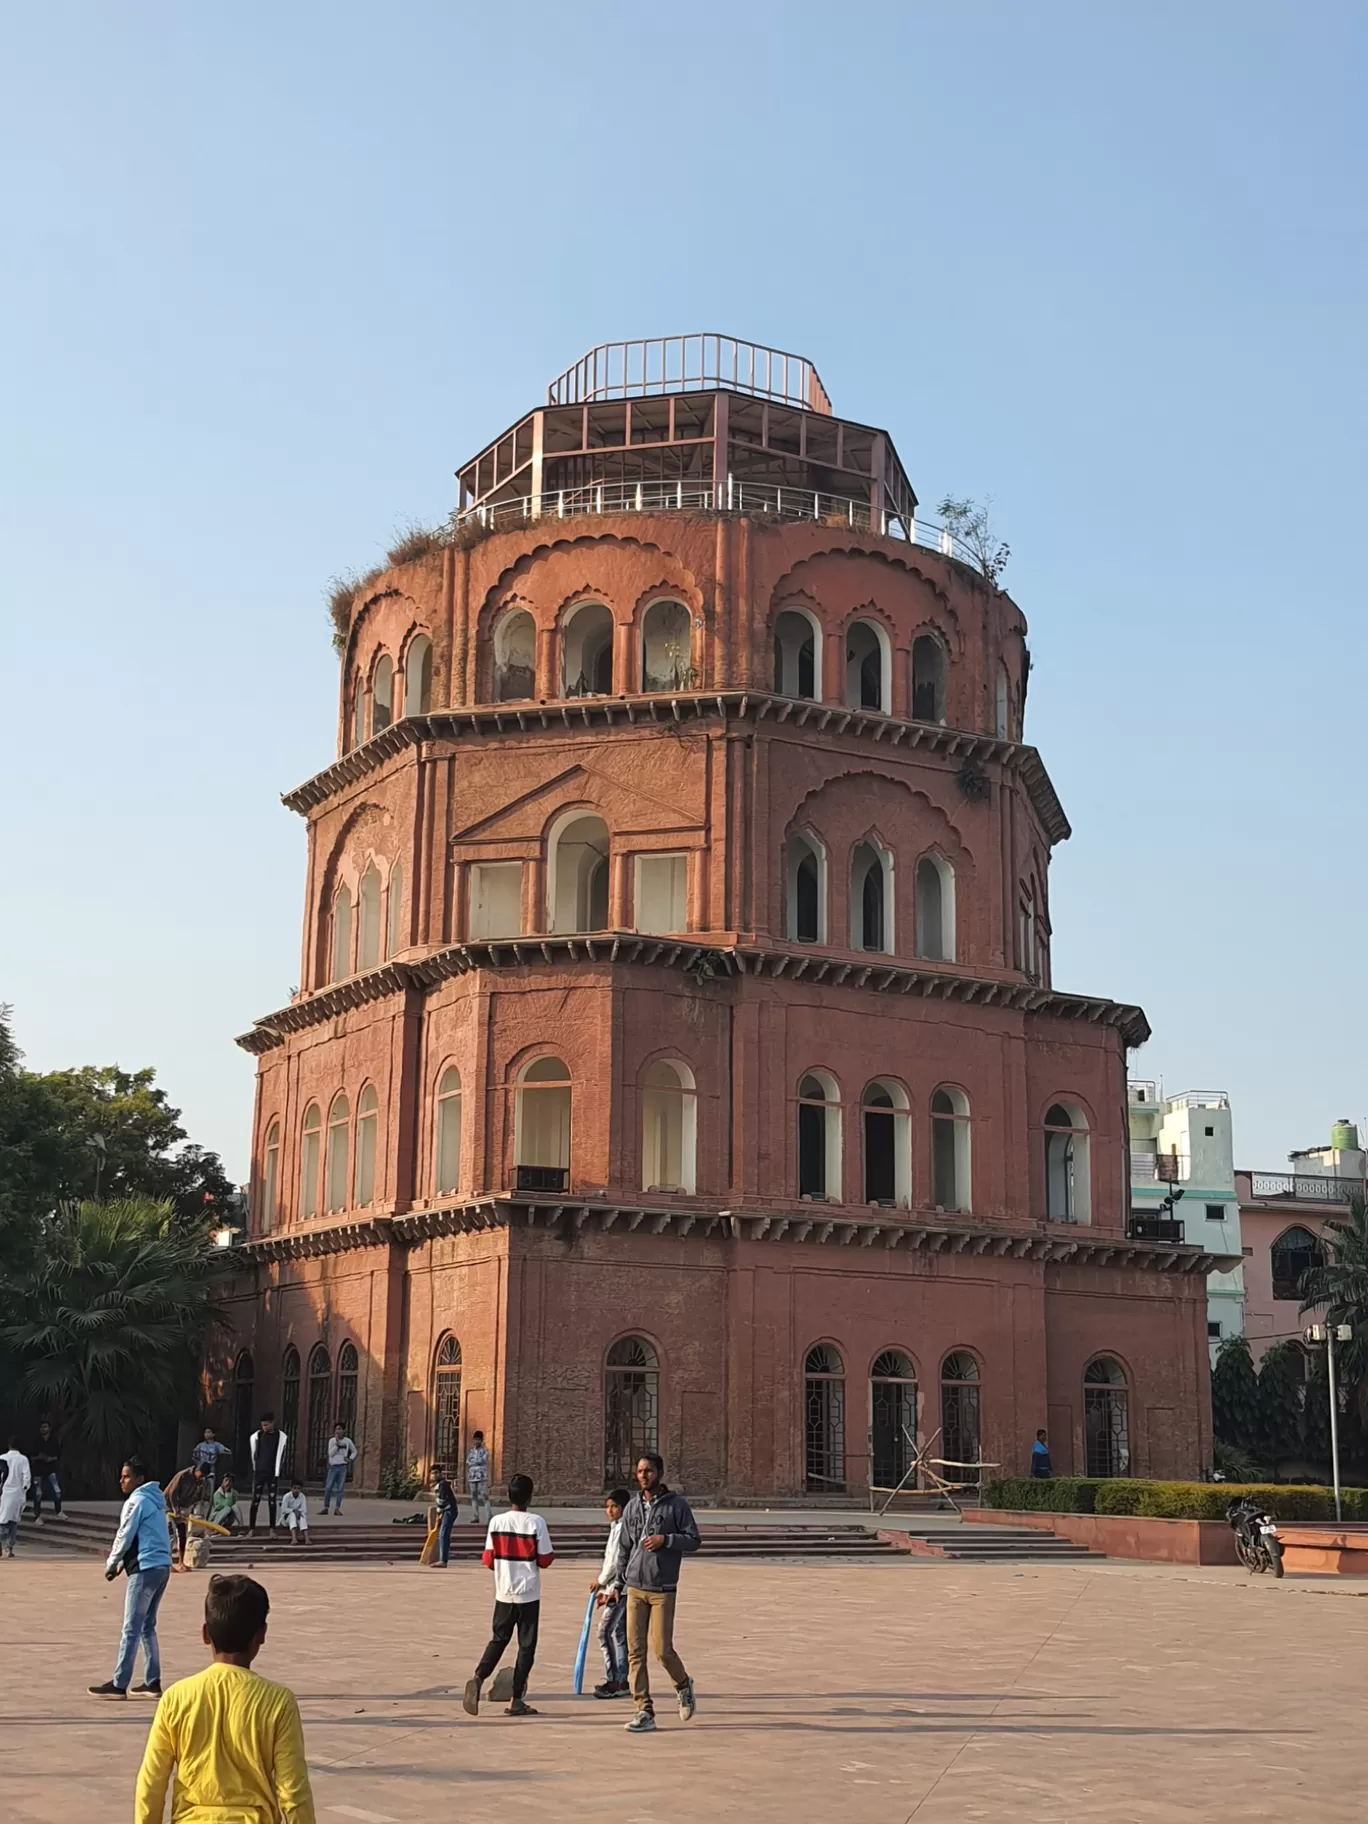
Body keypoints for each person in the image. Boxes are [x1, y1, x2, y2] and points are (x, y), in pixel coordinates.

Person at [134, 1573, 316, 1824]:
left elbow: (151, 1781)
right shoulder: (278, 1702)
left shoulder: (176, 1697)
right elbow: (293, 1789)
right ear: (261, 1635)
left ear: (206, 1634)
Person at [611, 1451, 700, 1734]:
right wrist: (617, 1583)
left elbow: (693, 1539)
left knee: (663, 1650)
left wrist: (667, 1539)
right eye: (639, 1471)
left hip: (662, 1588)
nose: (643, 1475)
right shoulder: (632, 1507)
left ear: (659, 1473)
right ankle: (643, 1709)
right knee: (636, 1652)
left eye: (648, 1471)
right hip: (635, 1587)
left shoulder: (676, 1506)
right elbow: (624, 1546)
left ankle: (683, 1685)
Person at [463, 1473, 553, 1719]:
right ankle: (517, 1698)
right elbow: (545, 1559)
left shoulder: (496, 1522)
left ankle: (479, 1676)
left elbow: (488, 1559)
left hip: (504, 1591)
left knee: (499, 1638)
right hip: (528, 1592)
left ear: (508, 1496)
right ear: (530, 1496)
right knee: (526, 1646)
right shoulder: (536, 1522)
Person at [89, 1456, 174, 1699]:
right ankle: (152, 1681)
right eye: (122, 1476)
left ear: (139, 1479)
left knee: (131, 1627)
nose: (122, 1480)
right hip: (161, 1566)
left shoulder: (136, 1501)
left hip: (145, 1568)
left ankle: (119, 1684)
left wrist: (111, 1563)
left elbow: (125, 1534)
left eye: (127, 1476)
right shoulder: (156, 1502)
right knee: (147, 1626)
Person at [590, 1486, 630, 1698]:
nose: (610, 1510)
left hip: (620, 1589)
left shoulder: (623, 1529)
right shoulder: (616, 1528)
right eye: (608, 1507)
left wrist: (600, 1582)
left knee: (603, 1632)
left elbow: (616, 1562)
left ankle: (614, 1680)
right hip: (615, 1587)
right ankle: (622, 1680)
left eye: (614, 1506)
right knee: (620, 1634)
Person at [248, 1413, 289, 1535]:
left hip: (272, 1473)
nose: (265, 1427)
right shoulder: (257, 1436)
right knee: (255, 1500)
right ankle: (251, 1529)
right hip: (259, 1472)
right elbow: (254, 1454)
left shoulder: (280, 1437)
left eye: (267, 1424)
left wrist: (278, 1470)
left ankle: (272, 1529)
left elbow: (282, 1455)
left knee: (272, 1500)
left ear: (272, 1423)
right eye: (263, 1425)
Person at [165, 1463, 209, 1569]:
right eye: (201, 1475)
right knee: (171, 1536)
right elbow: (172, 1493)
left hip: (183, 1508)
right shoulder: (183, 1475)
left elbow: (196, 1497)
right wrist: (176, 1509)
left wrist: (186, 1510)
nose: (202, 1477)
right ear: (197, 1470)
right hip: (168, 1507)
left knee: (182, 1534)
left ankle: (181, 1562)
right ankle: (167, 1563)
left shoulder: (200, 1482)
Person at [0, 1437, 32, 1557]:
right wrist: (24, 1489)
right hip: (16, 1493)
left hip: (2, 1493)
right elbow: (27, 1478)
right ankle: (9, 1548)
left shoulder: (2, 1458)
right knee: (13, 1521)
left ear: (8, 1446)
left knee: (2, 1519)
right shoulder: (23, 1459)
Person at [29, 1421, 63, 1521]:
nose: (43, 1429)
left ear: (49, 1428)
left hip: (50, 1469)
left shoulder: (54, 1440)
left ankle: (59, 1511)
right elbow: (31, 1456)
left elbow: (59, 1455)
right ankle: (37, 1516)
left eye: (45, 1427)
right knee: (38, 1493)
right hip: (38, 1470)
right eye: (42, 1427)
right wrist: (39, 1457)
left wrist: (51, 1458)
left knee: (57, 1491)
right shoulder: (36, 1441)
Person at [321, 1423, 357, 1515]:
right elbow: (330, 1454)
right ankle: (326, 1507)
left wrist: (350, 1459)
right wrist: (336, 1445)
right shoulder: (332, 1441)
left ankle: (337, 1508)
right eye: (336, 1429)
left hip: (342, 1467)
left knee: (340, 1489)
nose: (338, 1431)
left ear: (344, 1430)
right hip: (333, 1467)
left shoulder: (347, 1441)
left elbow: (354, 1451)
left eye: (340, 1429)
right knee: (328, 1487)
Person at [431, 1463, 459, 1567]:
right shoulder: (439, 1485)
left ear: (441, 1473)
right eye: (432, 1473)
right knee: (443, 1534)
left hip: (449, 1511)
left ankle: (443, 1560)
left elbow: (442, 1502)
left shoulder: (443, 1484)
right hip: (446, 1511)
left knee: (443, 1534)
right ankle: (442, 1559)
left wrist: (439, 1513)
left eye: (436, 1473)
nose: (434, 1475)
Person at [465, 1430, 491, 1525]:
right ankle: (475, 1516)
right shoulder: (471, 1451)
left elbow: (482, 1460)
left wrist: (474, 1462)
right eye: (475, 1439)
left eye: (478, 1440)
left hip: (481, 1476)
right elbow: (468, 1461)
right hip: (472, 1477)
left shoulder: (484, 1451)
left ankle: (489, 1516)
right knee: (474, 1497)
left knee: (484, 1496)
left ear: (481, 1440)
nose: (476, 1441)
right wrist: (475, 1462)